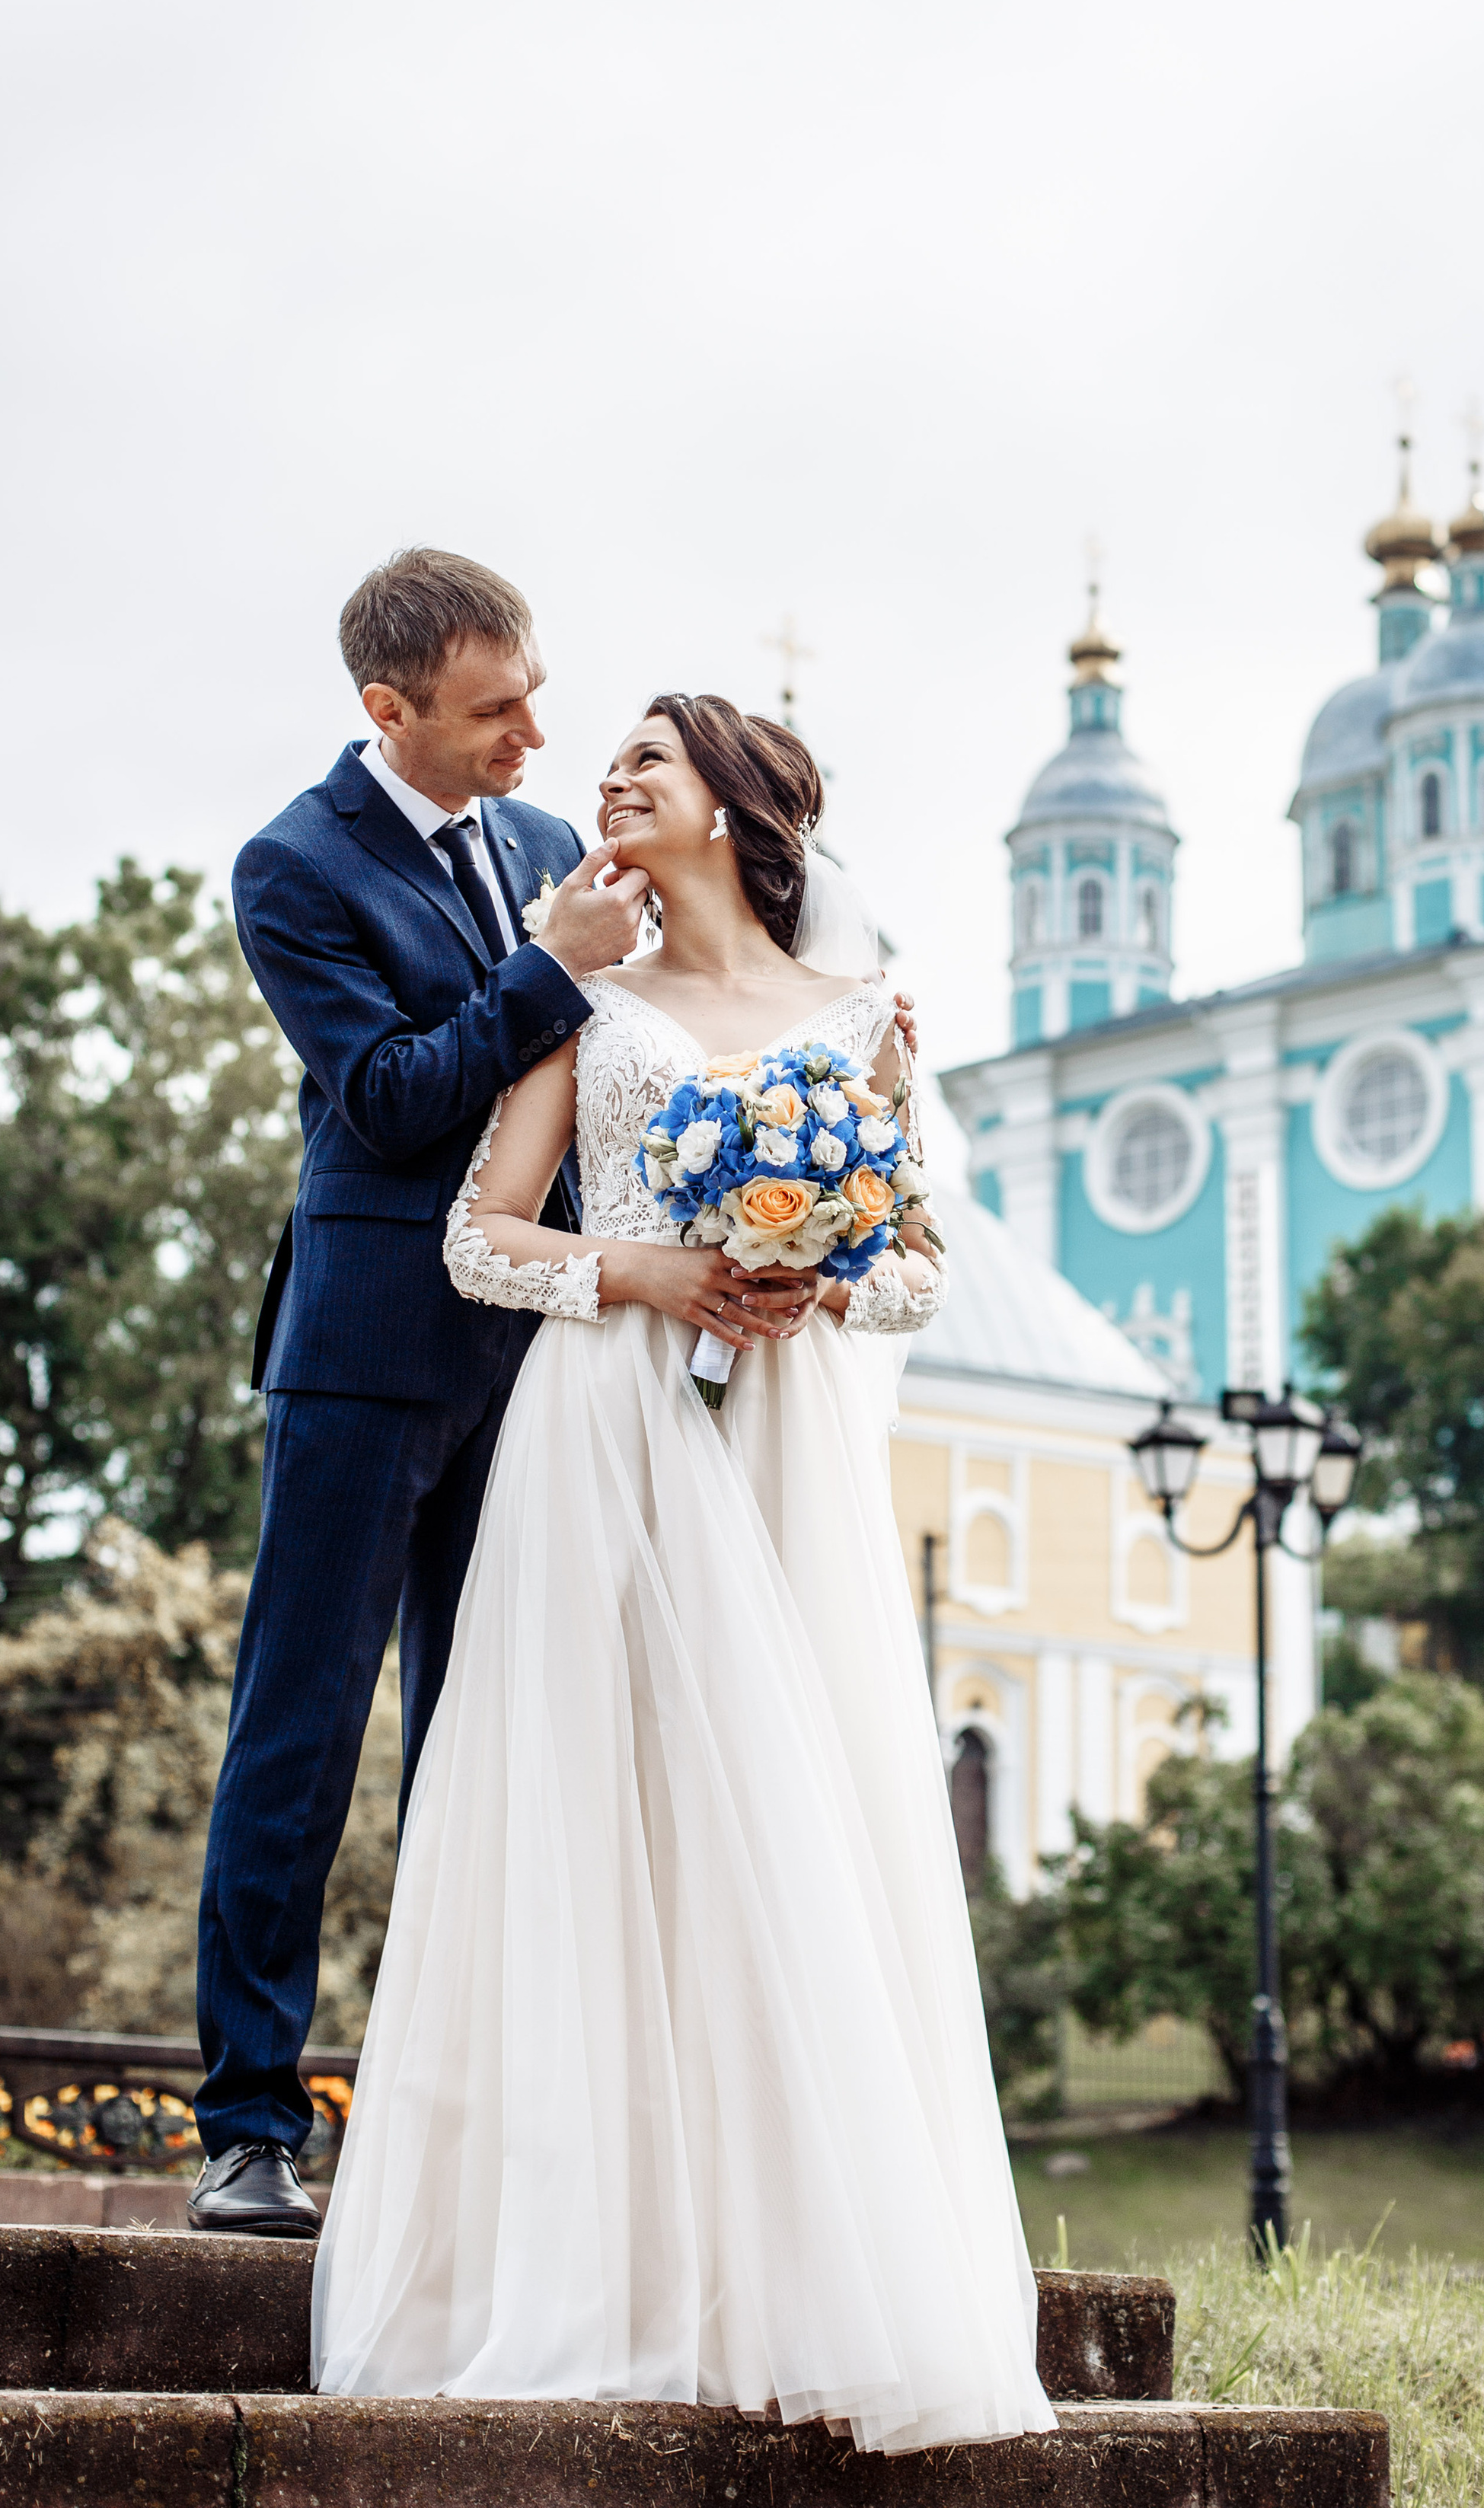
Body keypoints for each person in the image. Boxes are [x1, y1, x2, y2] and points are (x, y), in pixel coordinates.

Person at [310, 692, 1055, 2452]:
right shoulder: (584, 1002)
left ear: (726, 804)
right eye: (609, 764)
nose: (610, 781)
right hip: (604, 1443)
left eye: (645, 760)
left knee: (786, 1826)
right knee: (602, 1821)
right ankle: (593, 2277)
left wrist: (804, 1275)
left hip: (775, 1453)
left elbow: (917, 1271)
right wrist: (642, 1275)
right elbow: (480, 1237)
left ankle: (783, 2279)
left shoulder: (865, 1019)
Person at [189, 549, 812, 2235]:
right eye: (493, 709)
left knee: (500, 1737)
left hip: (551, 1361)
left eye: (535, 688)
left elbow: (650, 1055)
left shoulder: (553, 844)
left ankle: (465, 2133)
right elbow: (391, 1103)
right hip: (370, 1355)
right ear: (387, 712)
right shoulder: (292, 870)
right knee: (301, 1738)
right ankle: (248, 2126)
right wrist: (549, 968)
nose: (538, 729)